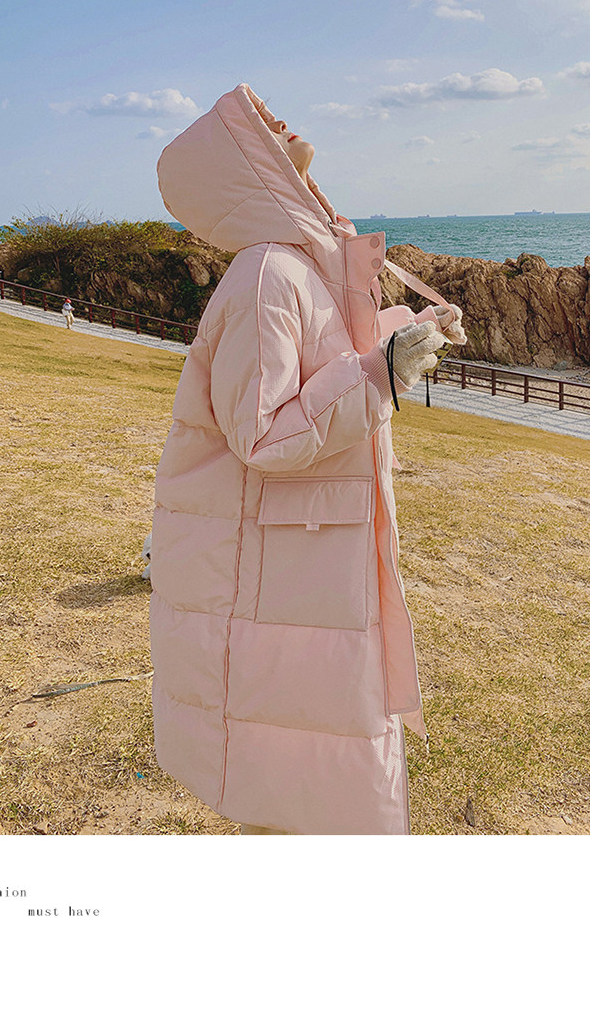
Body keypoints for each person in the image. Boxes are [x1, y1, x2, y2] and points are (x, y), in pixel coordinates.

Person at [150, 83, 466, 835]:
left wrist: (408, 330)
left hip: (303, 564)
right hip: (282, 570)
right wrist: (383, 370)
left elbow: (328, 357)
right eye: (260, 120)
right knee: (300, 771)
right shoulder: (268, 271)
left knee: (316, 763)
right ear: (241, 158)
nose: (280, 118)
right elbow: (263, 433)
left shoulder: (301, 263)